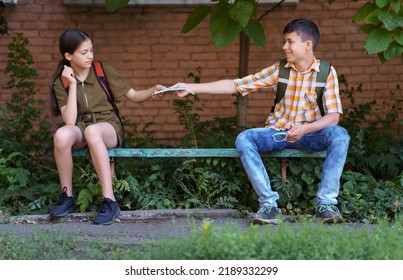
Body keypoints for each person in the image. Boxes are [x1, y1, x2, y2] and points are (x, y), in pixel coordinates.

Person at [171, 19, 350, 224]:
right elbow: (235, 85)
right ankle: (269, 205)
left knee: (340, 135)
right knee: (245, 139)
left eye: (290, 42)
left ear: (307, 45)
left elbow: (333, 116)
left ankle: (326, 204)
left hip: (311, 134)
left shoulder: (327, 73)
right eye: (285, 41)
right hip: (278, 133)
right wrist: (192, 87)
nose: (285, 47)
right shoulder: (279, 70)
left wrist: (305, 129)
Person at [49, 29, 165, 225]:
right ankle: (67, 197)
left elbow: (134, 96)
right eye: (83, 52)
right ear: (68, 56)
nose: (90, 56)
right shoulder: (62, 81)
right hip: (80, 126)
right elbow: (69, 121)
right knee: (61, 135)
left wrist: (153, 90)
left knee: (93, 131)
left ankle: (110, 201)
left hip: (108, 127)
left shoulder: (102, 70)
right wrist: (73, 84)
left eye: (91, 50)